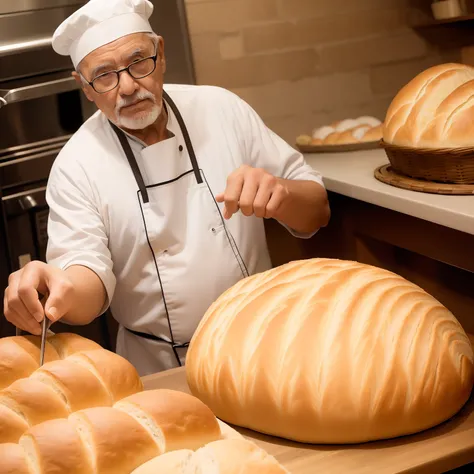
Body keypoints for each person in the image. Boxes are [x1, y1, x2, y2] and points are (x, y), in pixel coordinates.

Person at [3, 0, 330, 376]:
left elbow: (317, 211)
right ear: (85, 87)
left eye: (138, 61)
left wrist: (281, 194)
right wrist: (58, 286)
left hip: (266, 343)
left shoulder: (222, 109)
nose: (127, 87)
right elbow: (86, 281)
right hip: (163, 368)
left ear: (161, 52)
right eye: (104, 76)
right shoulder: (76, 165)